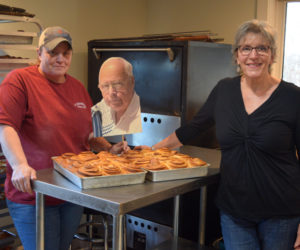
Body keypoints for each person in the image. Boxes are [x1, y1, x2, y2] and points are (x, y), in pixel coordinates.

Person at [144, 20, 300, 249]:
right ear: (237, 55)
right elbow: (193, 128)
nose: (253, 55)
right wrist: (153, 150)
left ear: (272, 55)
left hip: (281, 212)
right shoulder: (224, 90)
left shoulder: (292, 97)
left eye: (262, 48)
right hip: (235, 210)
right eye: (246, 48)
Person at [0, 26, 127, 250]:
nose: (60, 59)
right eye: (52, 52)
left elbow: (88, 134)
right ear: (39, 53)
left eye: (65, 53)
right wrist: (19, 165)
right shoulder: (19, 81)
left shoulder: (77, 87)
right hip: (34, 194)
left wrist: (109, 148)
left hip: (72, 193)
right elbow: (5, 125)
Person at [92, 57, 142, 137]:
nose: (111, 93)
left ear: (132, 82)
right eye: (105, 86)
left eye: (117, 84)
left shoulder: (145, 115)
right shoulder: (97, 112)